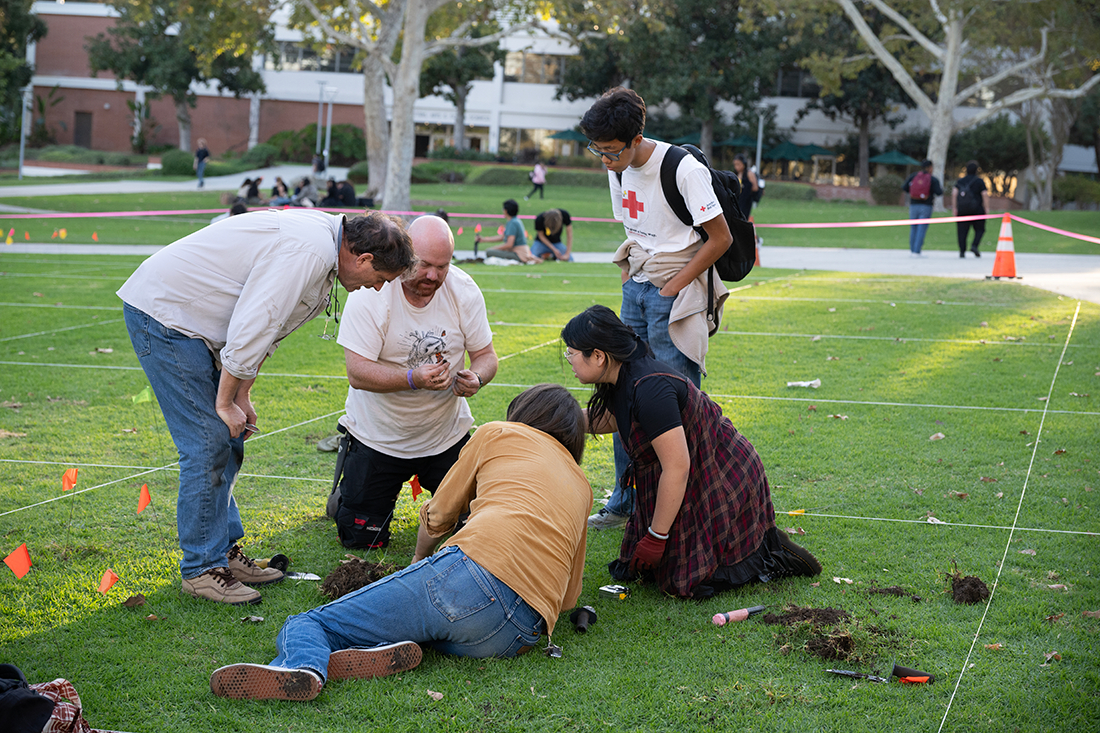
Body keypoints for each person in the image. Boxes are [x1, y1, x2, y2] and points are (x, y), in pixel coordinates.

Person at [208, 384, 592, 701]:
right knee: (429, 621)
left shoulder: (500, 432)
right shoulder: (582, 484)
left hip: (470, 581)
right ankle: (366, 651)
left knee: (309, 622)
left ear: (523, 413)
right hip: (519, 634)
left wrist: (418, 560)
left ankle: (300, 668)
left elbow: (439, 516)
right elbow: (570, 597)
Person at [117, 210, 415, 606]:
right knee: (208, 441)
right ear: (363, 259)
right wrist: (225, 401)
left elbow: (268, 332)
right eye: (380, 280)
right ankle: (201, 569)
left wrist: (242, 396)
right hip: (168, 316)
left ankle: (223, 552)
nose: (376, 289)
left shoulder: (324, 249)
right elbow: (254, 323)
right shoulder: (308, 250)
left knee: (229, 436)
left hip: (193, 323)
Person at [562, 305, 821, 599]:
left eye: (571, 352)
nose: (569, 360)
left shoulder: (649, 389)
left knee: (683, 582)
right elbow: (612, 417)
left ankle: (776, 554)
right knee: (648, 572)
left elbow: (677, 467)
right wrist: (552, 419)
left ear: (598, 356)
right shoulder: (621, 375)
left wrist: (657, 537)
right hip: (692, 464)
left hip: (720, 468)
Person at [579, 86, 732, 530]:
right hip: (637, 286)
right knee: (622, 392)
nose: (604, 160)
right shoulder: (617, 168)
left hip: (675, 291)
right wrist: (630, 277)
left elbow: (719, 238)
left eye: (610, 151)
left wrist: (672, 289)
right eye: (597, 151)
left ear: (635, 139)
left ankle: (687, 505)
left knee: (674, 401)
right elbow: (633, 226)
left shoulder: (679, 167)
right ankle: (625, 499)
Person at [330, 214, 499, 549]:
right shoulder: (372, 288)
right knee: (361, 538)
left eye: (443, 266)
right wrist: (412, 378)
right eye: (424, 265)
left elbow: (486, 356)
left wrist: (476, 378)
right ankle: (345, 496)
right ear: (406, 253)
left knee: (477, 528)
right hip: (379, 437)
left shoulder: (462, 289)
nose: (433, 275)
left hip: (444, 436)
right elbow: (357, 372)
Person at [476, 199, 539, 264]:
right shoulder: (514, 221)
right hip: (517, 251)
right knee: (490, 251)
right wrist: (484, 239)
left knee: (489, 252)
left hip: (519, 254)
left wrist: (494, 248)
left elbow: (509, 244)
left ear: (506, 210)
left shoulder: (513, 223)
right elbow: (502, 237)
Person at [902, 160, 943, 257]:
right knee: (921, 228)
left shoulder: (913, 176)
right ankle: (917, 251)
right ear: (930, 168)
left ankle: (912, 250)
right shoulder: (932, 179)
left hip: (913, 205)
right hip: (926, 206)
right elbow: (939, 192)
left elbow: (904, 187)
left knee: (913, 228)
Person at [953, 160, 990, 258]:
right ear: (977, 170)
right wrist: (986, 208)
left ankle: (962, 251)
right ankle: (974, 245)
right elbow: (984, 194)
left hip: (962, 210)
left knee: (962, 231)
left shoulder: (960, 181)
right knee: (980, 229)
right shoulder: (979, 181)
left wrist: (955, 208)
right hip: (977, 209)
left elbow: (954, 193)